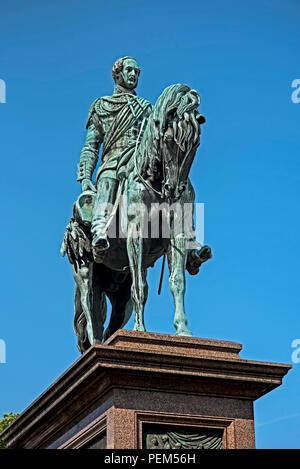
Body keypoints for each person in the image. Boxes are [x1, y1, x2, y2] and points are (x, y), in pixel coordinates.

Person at [76, 56, 152, 257]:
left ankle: (186, 244)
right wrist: (85, 178)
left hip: (141, 163)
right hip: (113, 161)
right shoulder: (102, 105)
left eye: (137, 72)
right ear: (117, 74)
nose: (133, 75)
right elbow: (91, 146)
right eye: (129, 70)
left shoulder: (146, 108)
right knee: (108, 178)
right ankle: (99, 230)